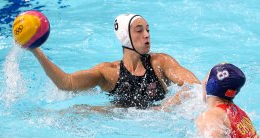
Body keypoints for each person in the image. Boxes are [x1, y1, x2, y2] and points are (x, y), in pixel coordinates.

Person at [29, 14, 200, 109]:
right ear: (125, 37)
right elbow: (66, 83)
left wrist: (165, 107)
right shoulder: (109, 73)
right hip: (119, 123)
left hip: (159, 125)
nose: (147, 35)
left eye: (147, 30)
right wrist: (36, 51)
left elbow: (195, 86)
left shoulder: (160, 62)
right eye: (139, 30)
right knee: (77, 111)